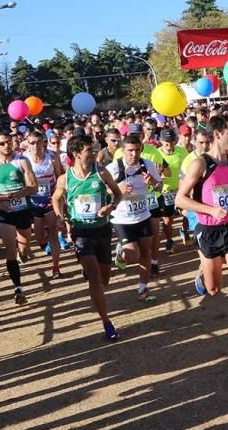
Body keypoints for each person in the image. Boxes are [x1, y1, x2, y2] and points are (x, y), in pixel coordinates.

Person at [175, 115, 228, 358]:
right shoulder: (200, 164)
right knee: (213, 290)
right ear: (217, 135)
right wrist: (210, 209)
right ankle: (203, 277)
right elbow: (181, 199)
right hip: (209, 230)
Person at [53, 136, 122, 340]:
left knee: (105, 279)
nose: (93, 153)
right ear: (76, 154)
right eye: (88, 150)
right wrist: (59, 216)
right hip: (80, 232)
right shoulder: (66, 178)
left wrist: (111, 206)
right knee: (94, 278)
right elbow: (56, 197)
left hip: (102, 230)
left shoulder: (100, 172)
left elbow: (118, 195)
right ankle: (106, 322)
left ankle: (94, 267)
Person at [0, 130, 38, 304]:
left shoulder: (21, 161)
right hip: (4, 213)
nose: (7, 145)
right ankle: (18, 288)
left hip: (22, 210)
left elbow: (33, 187)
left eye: (8, 141)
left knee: (23, 250)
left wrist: (16, 195)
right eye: (2, 143)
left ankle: (24, 252)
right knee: (10, 250)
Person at [107, 134, 161, 303]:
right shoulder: (113, 168)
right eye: (130, 150)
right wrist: (117, 189)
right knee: (133, 256)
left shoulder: (148, 165)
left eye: (137, 150)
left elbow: (160, 185)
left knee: (147, 252)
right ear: (123, 151)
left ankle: (143, 288)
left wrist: (153, 181)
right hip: (122, 218)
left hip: (143, 215)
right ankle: (120, 254)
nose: (134, 154)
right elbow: (101, 191)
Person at [24, 130, 65, 280]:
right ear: (27, 145)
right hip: (34, 203)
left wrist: (59, 197)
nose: (35, 146)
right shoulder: (24, 159)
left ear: (43, 143)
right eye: (32, 143)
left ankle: (56, 267)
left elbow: (60, 176)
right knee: (40, 237)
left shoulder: (52, 158)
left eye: (38, 142)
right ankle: (44, 241)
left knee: (54, 232)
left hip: (50, 200)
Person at [156, 128, 189, 251]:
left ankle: (184, 231)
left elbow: (188, 167)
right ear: (160, 141)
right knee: (167, 219)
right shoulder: (156, 154)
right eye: (166, 143)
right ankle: (169, 240)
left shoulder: (182, 151)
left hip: (181, 189)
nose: (169, 145)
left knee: (186, 213)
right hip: (165, 191)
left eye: (171, 142)